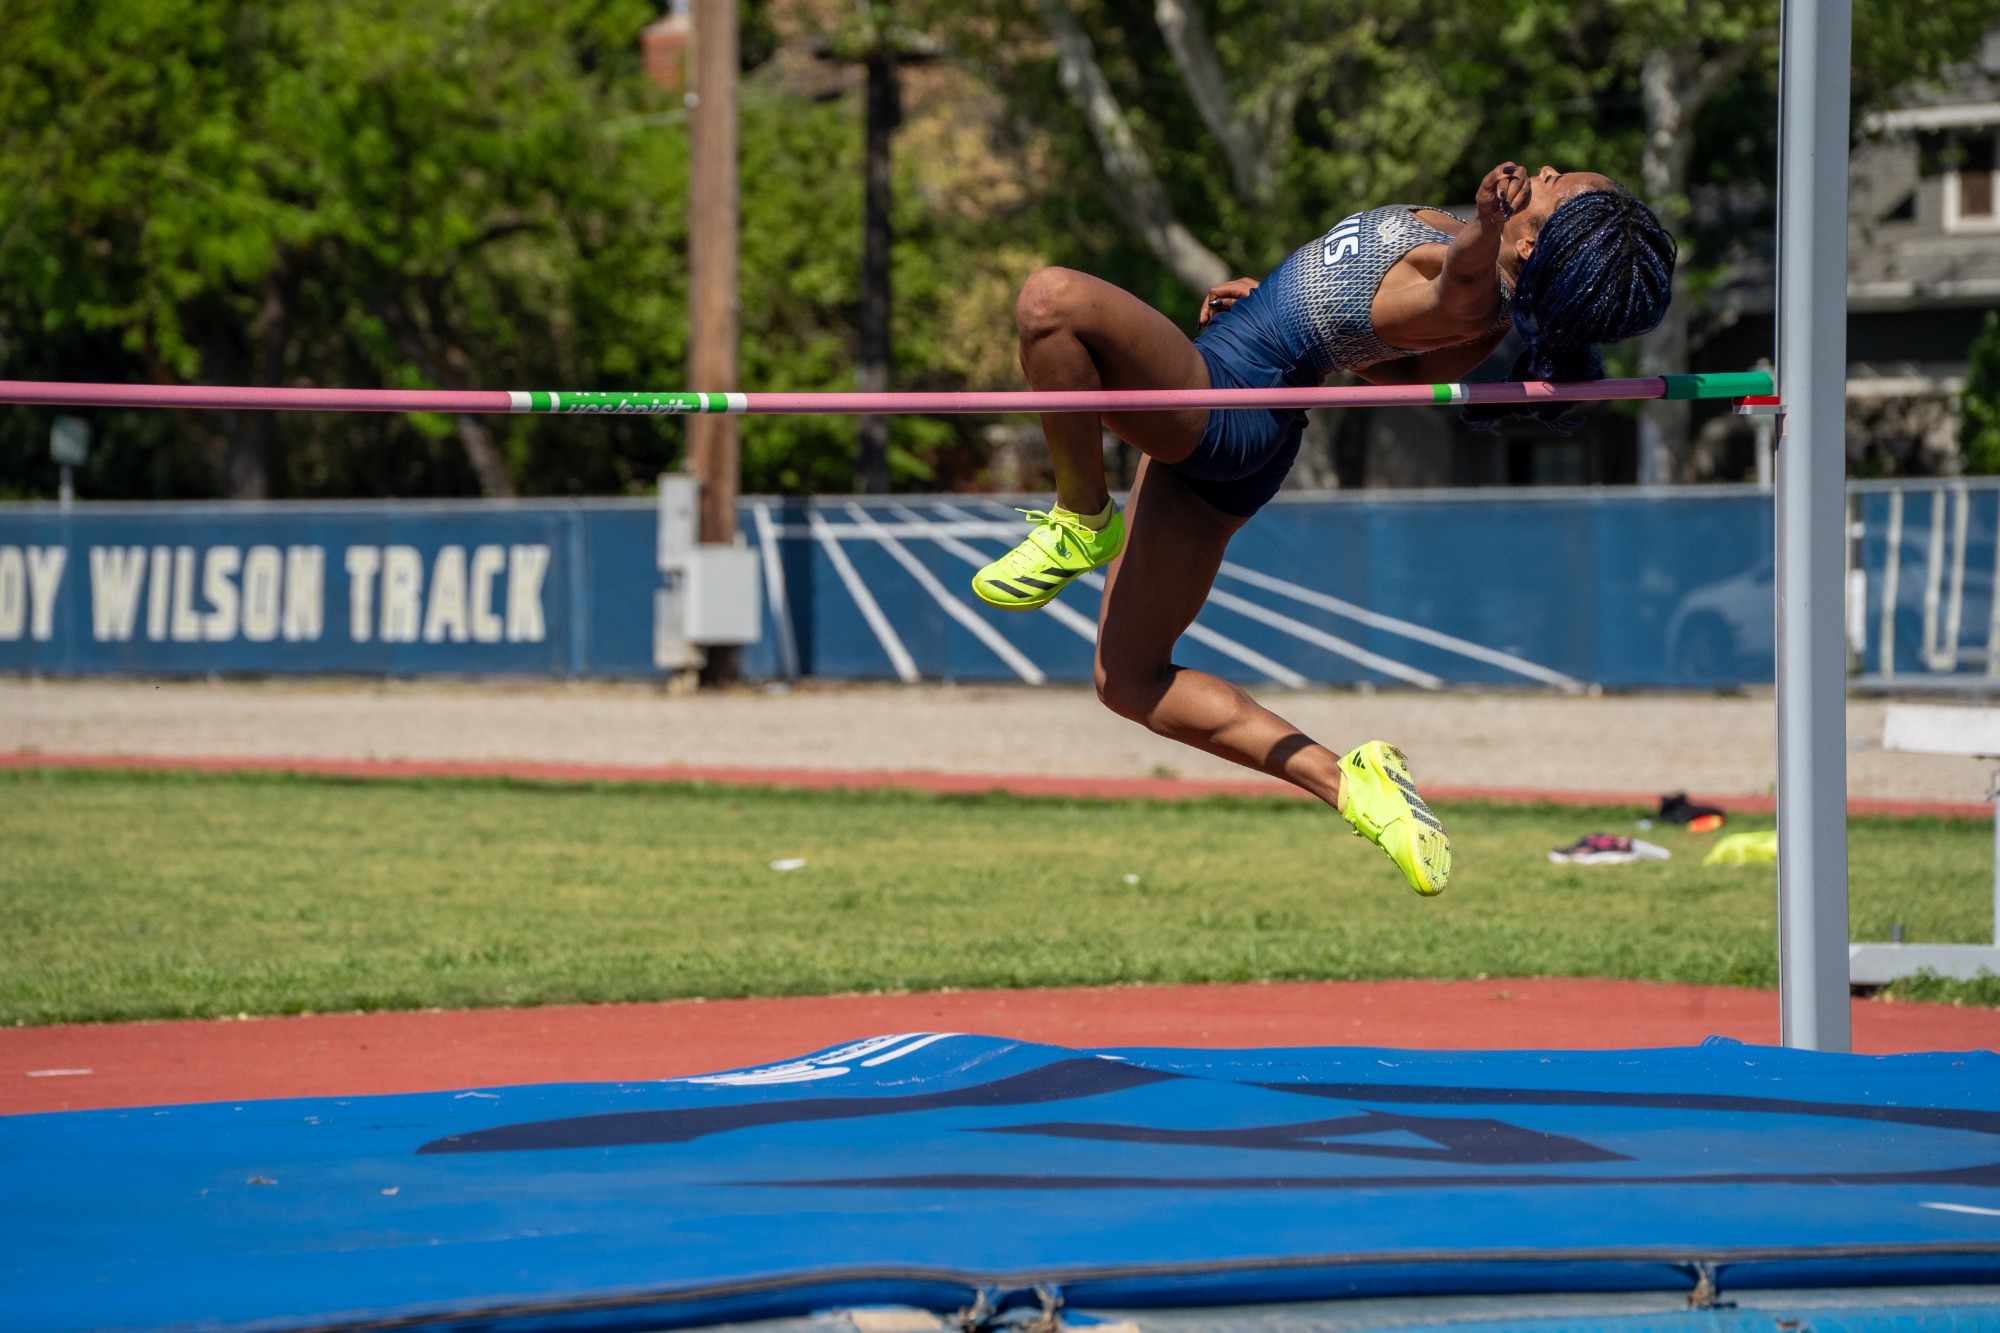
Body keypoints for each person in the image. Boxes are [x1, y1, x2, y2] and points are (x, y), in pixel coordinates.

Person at [970, 162, 1676, 897]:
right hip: (1249, 400)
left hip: (1229, 408)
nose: (1549, 170)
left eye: (1559, 188)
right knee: (1130, 679)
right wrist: (1274, 313)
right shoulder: (1473, 294)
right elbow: (1389, 364)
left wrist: (1482, 226)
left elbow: (1451, 287)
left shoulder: (1475, 290)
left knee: (1050, 303)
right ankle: (1350, 783)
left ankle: (1082, 517)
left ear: (1528, 246)